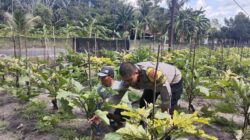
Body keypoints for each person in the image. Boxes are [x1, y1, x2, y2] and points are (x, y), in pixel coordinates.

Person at [119, 61, 183, 115]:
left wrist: (165, 110)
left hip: (172, 80)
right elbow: (118, 93)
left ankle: (169, 127)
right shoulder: (127, 78)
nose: (127, 83)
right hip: (151, 84)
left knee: (170, 107)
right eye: (125, 80)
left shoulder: (151, 73)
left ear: (136, 72)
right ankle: (144, 124)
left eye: (130, 80)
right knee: (144, 104)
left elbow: (165, 91)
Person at [89, 66, 127, 134]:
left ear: (111, 76)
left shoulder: (120, 86)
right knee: (97, 106)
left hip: (121, 109)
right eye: (101, 78)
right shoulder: (100, 89)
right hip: (108, 110)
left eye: (104, 77)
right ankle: (97, 128)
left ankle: (120, 124)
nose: (102, 80)